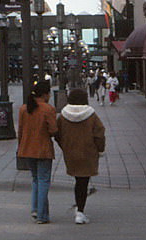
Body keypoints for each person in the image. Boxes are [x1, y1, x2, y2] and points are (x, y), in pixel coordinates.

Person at [56, 88, 106, 224]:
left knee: (78, 180)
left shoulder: (63, 115)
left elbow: (57, 134)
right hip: (88, 153)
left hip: (71, 153)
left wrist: (65, 147)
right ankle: (80, 211)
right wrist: (100, 150)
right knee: (83, 182)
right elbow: (100, 133)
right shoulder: (91, 115)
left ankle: (79, 208)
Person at [16, 79, 58, 224]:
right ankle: (41, 214)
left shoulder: (24, 108)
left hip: (27, 149)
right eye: (49, 94)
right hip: (43, 149)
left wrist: (20, 147)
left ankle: (36, 209)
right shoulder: (48, 109)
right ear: (45, 94)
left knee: (35, 180)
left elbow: (20, 131)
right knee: (43, 181)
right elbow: (53, 130)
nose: (50, 96)